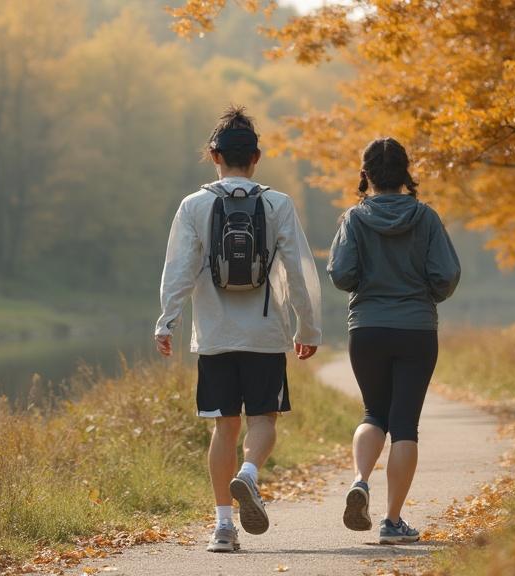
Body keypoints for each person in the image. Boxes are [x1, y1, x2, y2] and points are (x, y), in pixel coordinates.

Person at [155, 105, 322, 553]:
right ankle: (248, 475)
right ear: (257, 157)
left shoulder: (194, 204)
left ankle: (223, 528)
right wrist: (308, 328)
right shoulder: (277, 203)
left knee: (222, 427)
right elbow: (301, 272)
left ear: (214, 155)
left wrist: (166, 319)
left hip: (214, 335)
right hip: (266, 334)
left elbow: (180, 268)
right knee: (263, 418)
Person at [327, 137, 461, 544]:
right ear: (406, 173)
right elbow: (447, 275)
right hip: (416, 329)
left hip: (366, 328)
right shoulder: (426, 217)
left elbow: (341, 275)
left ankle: (360, 480)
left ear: (365, 175)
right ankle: (392, 521)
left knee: (373, 414)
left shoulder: (353, 218)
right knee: (405, 425)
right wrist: (425, 295)